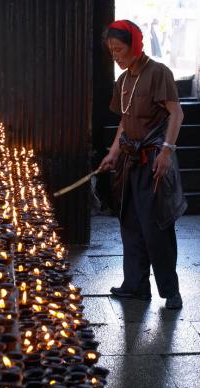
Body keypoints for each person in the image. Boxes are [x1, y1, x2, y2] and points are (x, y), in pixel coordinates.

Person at [99, 19, 187, 309]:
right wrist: (113, 153)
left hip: (153, 161)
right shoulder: (123, 81)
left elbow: (176, 114)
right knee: (131, 224)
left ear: (135, 45)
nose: (116, 56)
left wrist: (167, 151)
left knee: (156, 227)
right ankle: (136, 286)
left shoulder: (158, 73)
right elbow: (124, 121)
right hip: (129, 161)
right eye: (112, 51)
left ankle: (170, 291)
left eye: (120, 49)